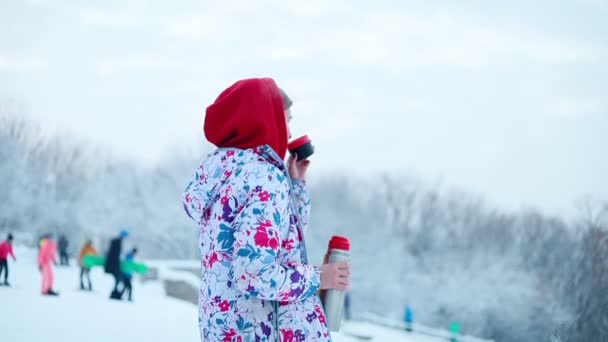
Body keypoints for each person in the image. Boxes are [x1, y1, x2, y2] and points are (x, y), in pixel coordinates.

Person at [183, 78, 351, 341]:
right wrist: (320, 277)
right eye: (287, 120)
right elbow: (256, 275)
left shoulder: (225, 174)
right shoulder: (263, 178)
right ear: (264, 120)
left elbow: (275, 245)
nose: (291, 133)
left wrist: (295, 185)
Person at [104, 229, 128, 299]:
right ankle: (115, 294)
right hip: (114, 266)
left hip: (113, 265)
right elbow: (115, 256)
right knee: (119, 280)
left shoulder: (116, 242)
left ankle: (115, 294)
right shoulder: (118, 242)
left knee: (118, 280)